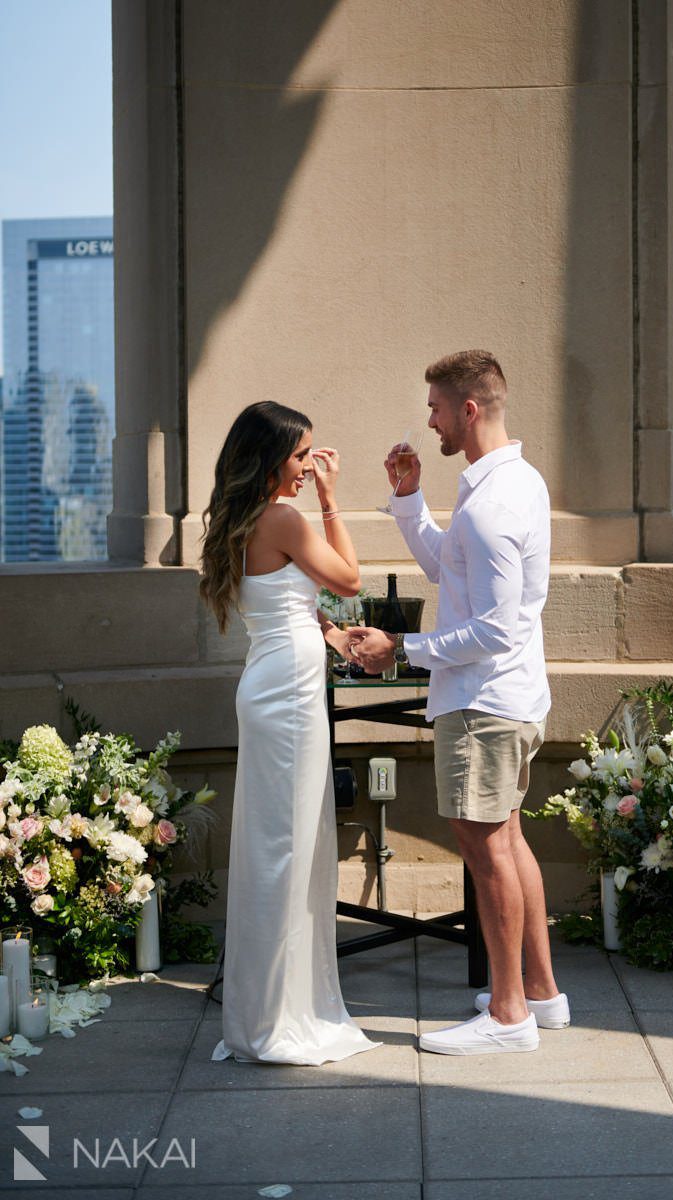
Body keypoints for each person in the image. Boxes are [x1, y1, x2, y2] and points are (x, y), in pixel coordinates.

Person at [351, 350, 569, 1055]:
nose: (430, 420)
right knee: (505, 841)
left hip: (483, 704)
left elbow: (498, 626)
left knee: (485, 850)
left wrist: (400, 651)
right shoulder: (510, 484)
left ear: (468, 410)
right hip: (506, 698)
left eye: (437, 409)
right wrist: (409, 501)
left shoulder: (496, 501)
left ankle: (508, 1017)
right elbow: (453, 569)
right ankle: (540, 992)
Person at [200, 401, 379, 1065]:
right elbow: (349, 579)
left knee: (279, 844)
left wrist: (331, 634)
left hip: (273, 681)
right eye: (302, 456)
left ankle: (269, 1007)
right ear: (273, 456)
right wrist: (334, 501)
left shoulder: (240, 517)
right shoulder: (282, 516)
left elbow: (286, 604)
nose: (309, 467)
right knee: (286, 847)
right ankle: (278, 1015)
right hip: (288, 695)